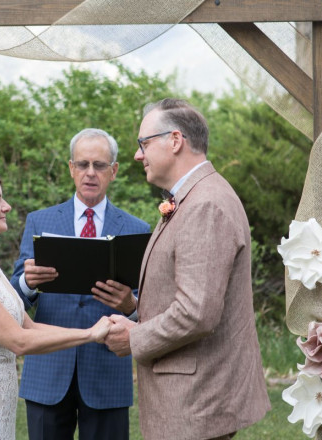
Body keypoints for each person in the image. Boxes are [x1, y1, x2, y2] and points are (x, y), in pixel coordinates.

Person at [102, 99, 270, 440]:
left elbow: (197, 312)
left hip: (196, 403)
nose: (138, 155)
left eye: (143, 144)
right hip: (190, 399)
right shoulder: (193, 197)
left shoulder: (205, 204)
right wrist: (136, 311)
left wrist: (134, 337)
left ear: (175, 141)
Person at [0, 165, 112, 440]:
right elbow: (19, 341)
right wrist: (90, 334)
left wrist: (95, 333)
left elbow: (30, 327)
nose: (7, 206)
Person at [9, 128, 151, 440]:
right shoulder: (40, 221)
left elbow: (150, 305)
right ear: (71, 168)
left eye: (99, 165)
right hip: (48, 368)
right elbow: (14, 299)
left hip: (106, 371)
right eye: (82, 164)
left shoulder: (136, 229)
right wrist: (28, 283)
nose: (90, 173)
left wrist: (131, 305)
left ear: (113, 171)